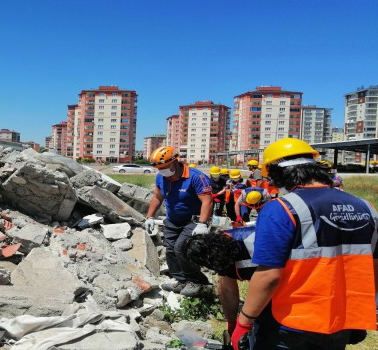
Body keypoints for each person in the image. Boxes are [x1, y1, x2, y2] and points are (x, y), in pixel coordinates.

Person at [231, 138, 378, 350]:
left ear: (276, 172)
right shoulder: (367, 208)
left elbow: (268, 276)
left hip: (290, 323)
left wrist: (244, 322)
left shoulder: (281, 208)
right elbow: (372, 268)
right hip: (340, 320)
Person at [144, 146, 214, 297]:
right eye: (159, 168)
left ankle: (197, 282)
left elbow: (207, 201)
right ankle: (181, 281)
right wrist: (149, 217)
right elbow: (157, 197)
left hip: (194, 221)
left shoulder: (196, 177)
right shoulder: (162, 178)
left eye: (165, 167)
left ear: (176, 162)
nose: (162, 171)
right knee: (170, 249)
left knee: (181, 248)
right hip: (174, 220)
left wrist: (202, 223)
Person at [182, 226, 257, 338]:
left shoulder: (251, 241)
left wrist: (245, 322)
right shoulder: (220, 256)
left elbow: (267, 281)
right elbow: (227, 291)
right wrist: (232, 324)